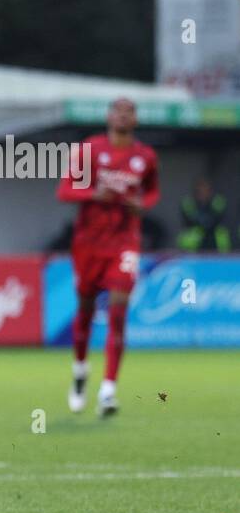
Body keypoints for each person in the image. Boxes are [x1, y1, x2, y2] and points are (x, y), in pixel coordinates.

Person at [56, 98, 159, 417]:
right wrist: (92, 194)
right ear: (109, 117)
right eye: (118, 111)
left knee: (117, 311)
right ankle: (80, 371)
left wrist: (144, 205)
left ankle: (108, 390)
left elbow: (153, 192)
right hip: (88, 243)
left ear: (136, 120)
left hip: (124, 241)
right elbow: (65, 191)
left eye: (130, 111)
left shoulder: (145, 157)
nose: (123, 116)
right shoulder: (90, 149)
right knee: (86, 309)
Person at [177, 177, 230, 253]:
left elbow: (216, 219)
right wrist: (202, 219)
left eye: (206, 190)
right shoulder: (188, 202)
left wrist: (203, 219)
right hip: (193, 246)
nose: (203, 193)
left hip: (216, 243)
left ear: (210, 191)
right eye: (199, 191)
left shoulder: (218, 201)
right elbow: (189, 220)